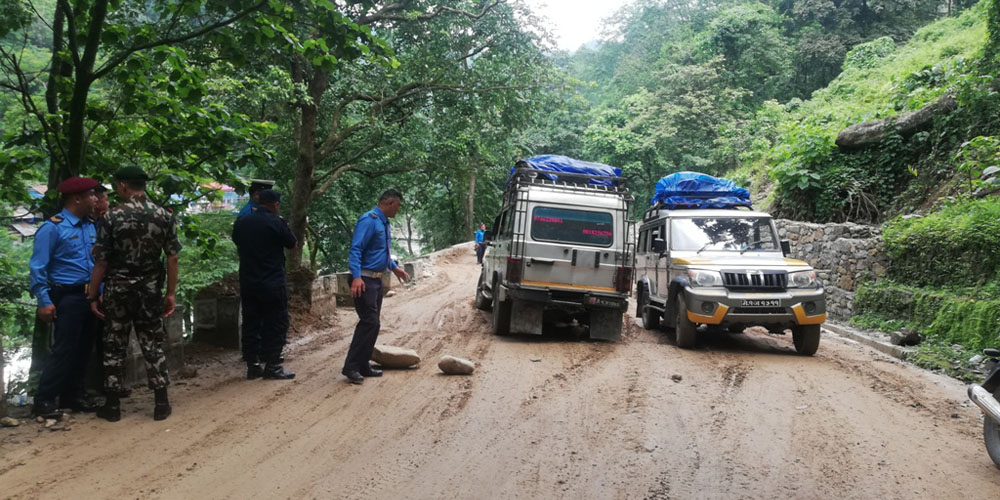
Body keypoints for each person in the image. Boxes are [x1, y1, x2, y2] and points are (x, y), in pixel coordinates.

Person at [88, 166, 181, 422]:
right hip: (150, 291)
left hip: (118, 291)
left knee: (114, 345)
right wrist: (170, 293)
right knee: (152, 342)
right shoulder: (164, 215)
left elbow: (102, 262)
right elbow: (172, 257)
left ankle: (113, 405)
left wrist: (93, 295)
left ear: (123, 186)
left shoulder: (111, 217)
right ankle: (161, 403)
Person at [28, 177, 100, 417]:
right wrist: (44, 301)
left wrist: (98, 295)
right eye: (91, 195)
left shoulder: (90, 226)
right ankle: (45, 400)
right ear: (76, 198)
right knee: (64, 348)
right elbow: (38, 267)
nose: (95, 199)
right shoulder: (53, 227)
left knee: (84, 347)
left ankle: (73, 396)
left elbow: (95, 263)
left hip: (89, 296)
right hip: (66, 296)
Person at [342, 189, 410, 384]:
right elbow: (356, 249)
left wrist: (395, 268)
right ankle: (351, 366)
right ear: (389, 202)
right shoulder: (369, 220)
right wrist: (356, 277)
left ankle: (363, 364)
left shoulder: (383, 222)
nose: (398, 210)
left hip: (376, 280)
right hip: (364, 280)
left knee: (374, 323)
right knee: (369, 322)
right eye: (397, 205)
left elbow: (381, 253)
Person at [232, 189, 297, 380]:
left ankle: (252, 366)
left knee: (251, 322)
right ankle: (273, 365)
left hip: (249, 281)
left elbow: (236, 240)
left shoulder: (243, 222)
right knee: (276, 322)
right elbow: (292, 244)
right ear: (275, 204)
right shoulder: (276, 222)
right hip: (272, 282)